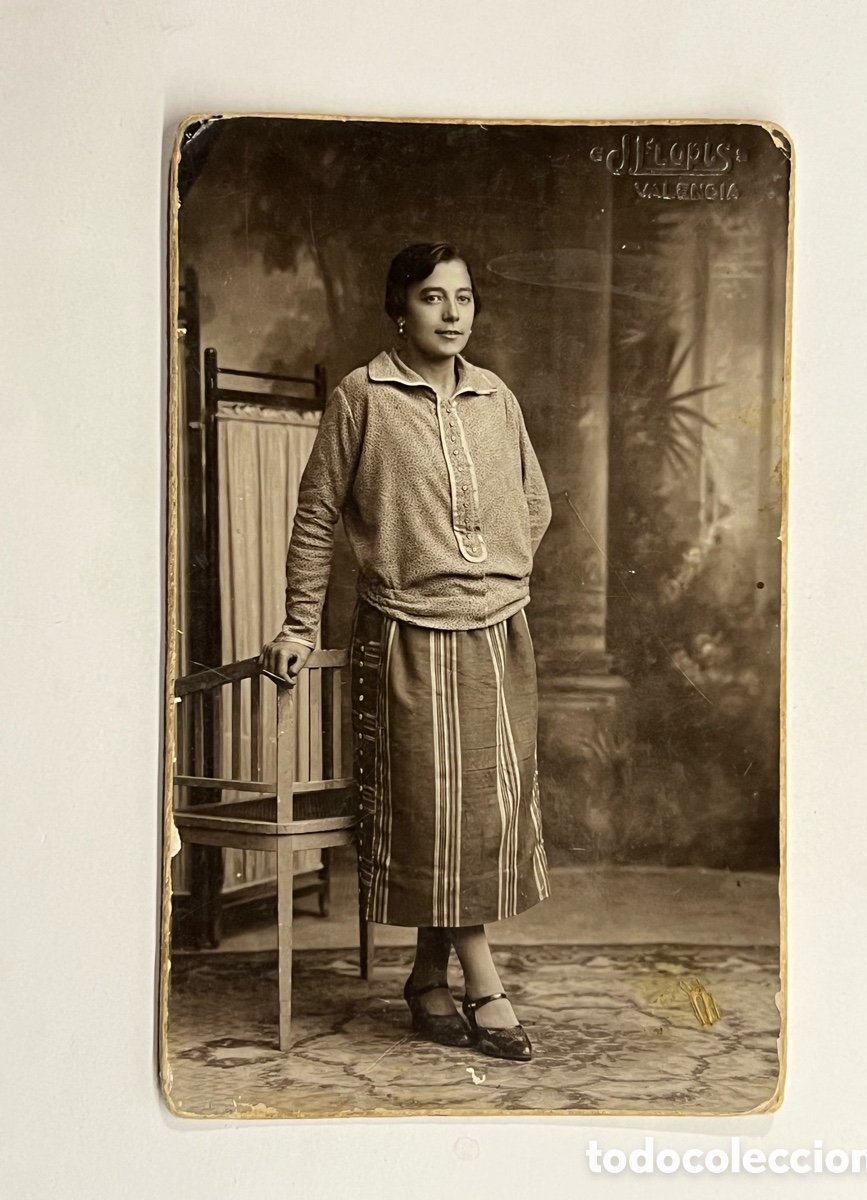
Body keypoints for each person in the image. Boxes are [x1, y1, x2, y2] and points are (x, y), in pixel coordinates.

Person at [260, 242, 552, 1061]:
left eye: (464, 297)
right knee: (433, 813)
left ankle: (427, 977)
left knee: (481, 813)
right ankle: (483, 982)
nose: (452, 313)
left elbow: (533, 502)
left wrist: (491, 571)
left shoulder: (496, 397)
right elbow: (317, 514)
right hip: (406, 633)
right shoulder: (364, 396)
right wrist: (298, 623)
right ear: (400, 308)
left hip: (498, 632)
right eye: (432, 297)